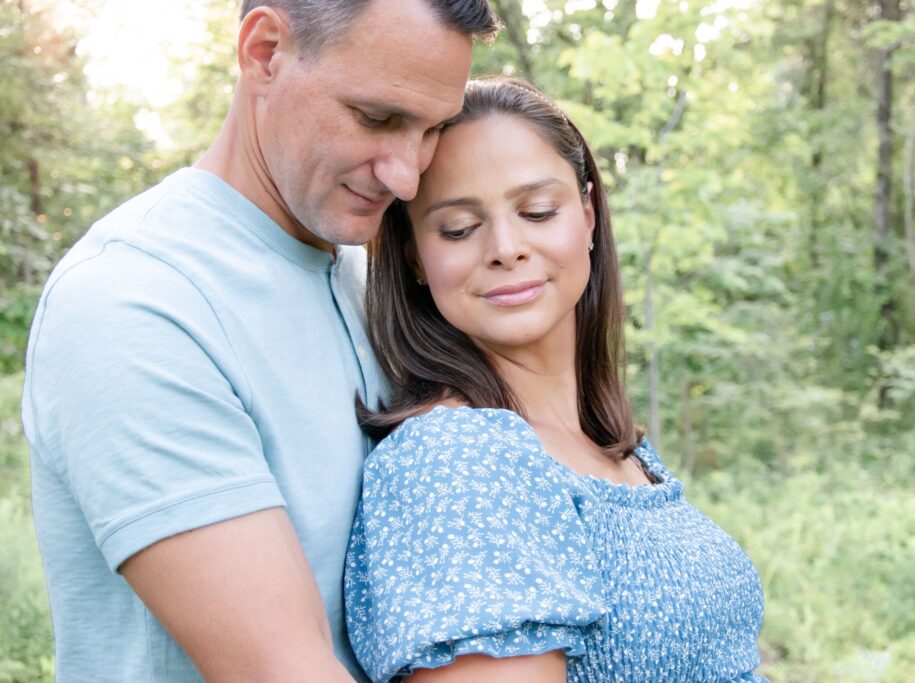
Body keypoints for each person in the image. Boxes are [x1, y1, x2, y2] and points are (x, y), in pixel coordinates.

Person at [20, 1, 498, 680]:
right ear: (265, 50)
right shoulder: (136, 303)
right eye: (378, 118)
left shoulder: (374, 276)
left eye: (433, 129)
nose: (408, 174)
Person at [344, 77, 770, 683]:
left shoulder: (614, 444)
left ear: (589, 214)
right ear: (413, 256)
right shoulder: (458, 460)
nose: (506, 247)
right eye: (459, 228)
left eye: (538, 211)